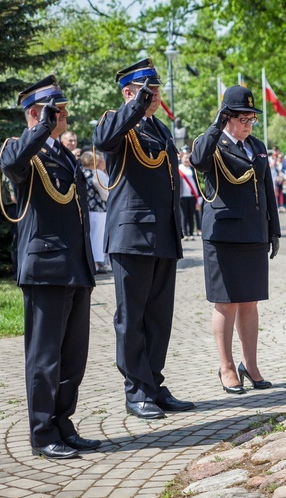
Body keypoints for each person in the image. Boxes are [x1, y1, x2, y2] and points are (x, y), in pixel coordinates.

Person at [0, 76, 100, 459]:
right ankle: (42, 434)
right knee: (45, 358)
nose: (65, 113)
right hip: (44, 267)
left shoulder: (61, 153)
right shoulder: (21, 149)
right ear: (36, 113)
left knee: (73, 356)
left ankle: (63, 423)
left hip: (74, 266)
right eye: (57, 108)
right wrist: (41, 126)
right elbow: (11, 163)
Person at [93, 58, 193, 419]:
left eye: (156, 90)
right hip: (131, 235)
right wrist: (135, 105)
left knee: (158, 318)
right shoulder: (116, 122)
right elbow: (103, 141)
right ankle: (135, 390)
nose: (153, 96)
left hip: (163, 233)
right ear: (129, 92)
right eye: (146, 91)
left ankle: (153, 383)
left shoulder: (159, 127)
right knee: (131, 317)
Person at [190, 85, 281, 394]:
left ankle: (250, 364)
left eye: (251, 119)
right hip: (224, 235)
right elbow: (198, 160)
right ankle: (226, 366)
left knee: (250, 302)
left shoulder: (256, 146)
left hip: (253, 232)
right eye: (242, 118)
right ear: (227, 117)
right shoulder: (212, 144)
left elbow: (267, 190)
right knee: (226, 303)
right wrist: (216, 125)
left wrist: (273, 229)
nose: (248, 124)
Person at [79, 151, 109, 272]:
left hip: (85, 209)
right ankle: (96, 263)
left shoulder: (80, 172)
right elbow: (104, 193)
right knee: (97, 236)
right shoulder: (96, 173)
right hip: (97, 209)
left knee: (88, 236)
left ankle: (90, 262)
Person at [179, 151, 201, 240]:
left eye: (188, 158)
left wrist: (199, 195)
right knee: (183, 215)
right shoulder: (178, 168)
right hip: (182, 196)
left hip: (192, 196)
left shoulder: (192, 169)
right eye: (185, 158)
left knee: (191, 215)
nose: (187, 160)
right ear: (181, 158)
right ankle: (185, 232)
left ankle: (191, 233)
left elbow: (196, 183)